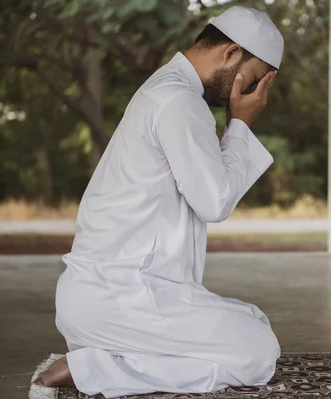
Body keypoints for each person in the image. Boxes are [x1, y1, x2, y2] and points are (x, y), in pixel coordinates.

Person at [32, 6, 284, 398]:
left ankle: (115, 357)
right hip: (118, 297)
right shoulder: (178, 100)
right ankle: (94, 367)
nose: (249, 93)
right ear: (231, 52)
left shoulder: (169, 90)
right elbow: (214, 202)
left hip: (118, 296)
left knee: (253, 320)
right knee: (258, 353)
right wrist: (241, 124)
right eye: (250, 80)